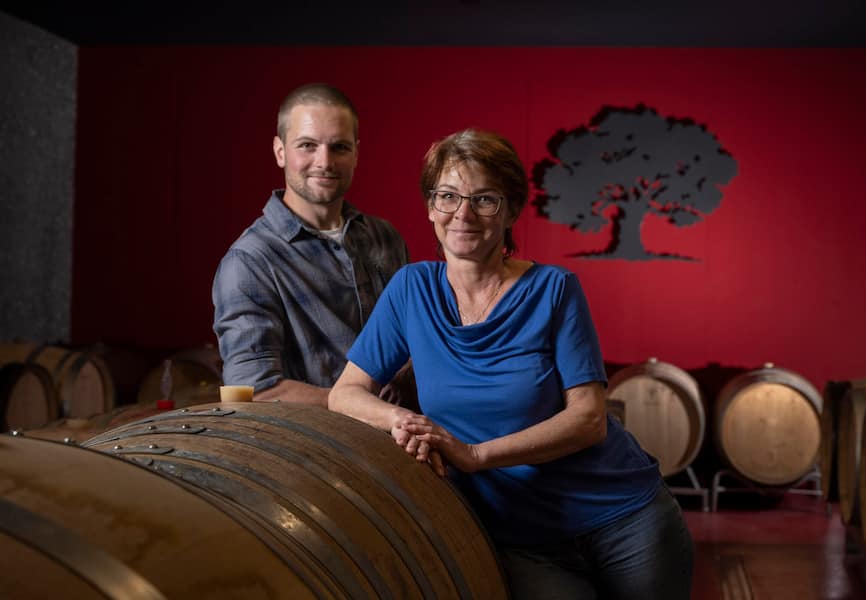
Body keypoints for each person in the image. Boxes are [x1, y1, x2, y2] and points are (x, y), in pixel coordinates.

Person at [328, 129, 694, 599]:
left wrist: (475, 455)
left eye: (484, 199)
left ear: (511, 211)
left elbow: (588, 420)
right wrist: (407, 421)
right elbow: (345, 392)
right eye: (447, 196)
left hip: (625, 518)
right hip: (522, 539)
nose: (463, 213)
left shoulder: (554, 289)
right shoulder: (410, 289)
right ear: (429, 207)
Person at [212, 83, 411, 407]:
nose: (324, 161)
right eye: (307, 145)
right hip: (313, 451)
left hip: (400, 446)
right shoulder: (249, 262)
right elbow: (258, 391)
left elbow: (418, 341)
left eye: (340, 147)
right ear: (280, 151)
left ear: (357, 153)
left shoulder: (385, 237)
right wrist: (370, 410)